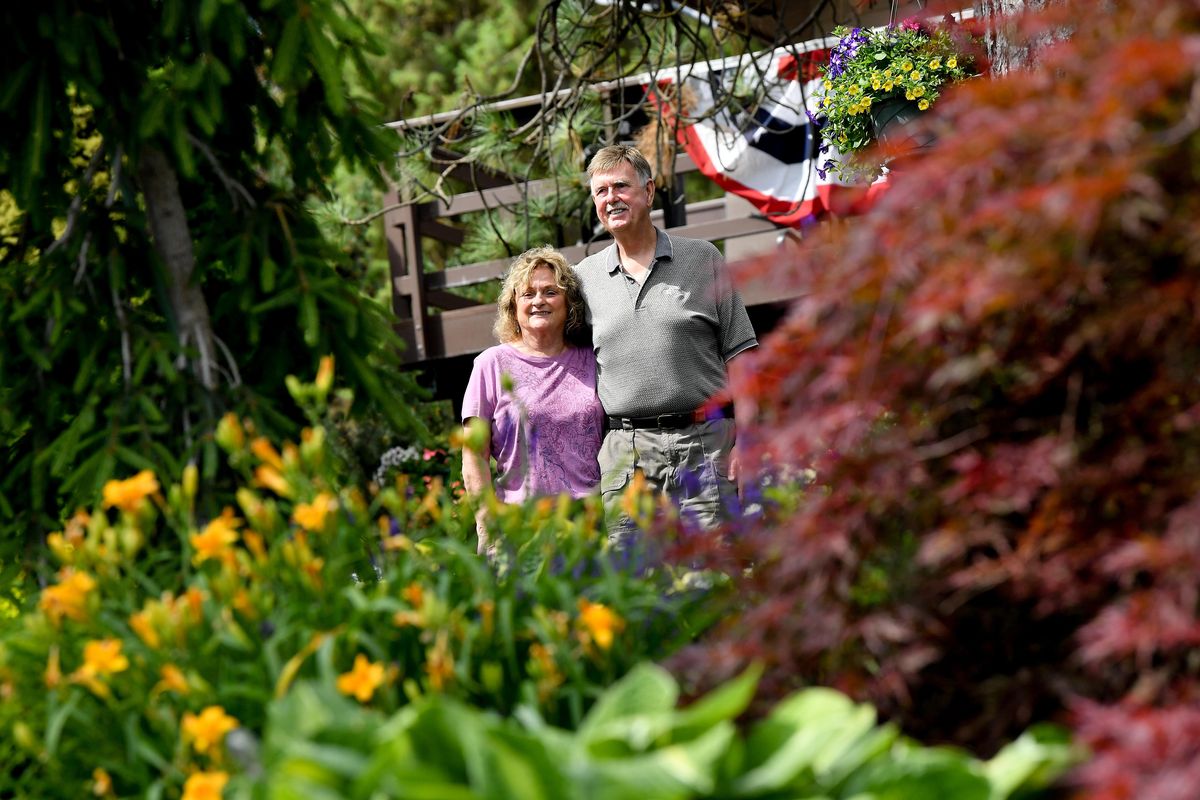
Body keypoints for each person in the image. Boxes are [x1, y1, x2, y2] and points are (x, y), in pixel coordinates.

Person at [574, 145, 758, 544]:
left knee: (717, 573)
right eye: (601, 192)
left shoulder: (702, 259)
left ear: (649, 191)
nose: (611, 199)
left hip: (707, 446)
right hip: (627, 455)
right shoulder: (583, 279)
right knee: (636, 585)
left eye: (621, 186)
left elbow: (741, 355)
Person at [461, 246, 604, 555]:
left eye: (551, 292)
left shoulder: (592, 358)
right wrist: (486, 525)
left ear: (569, 303)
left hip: (590, 525)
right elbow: (473, 456)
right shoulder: (491, 365)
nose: (539, 300)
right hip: (521, 528)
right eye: (528, 294)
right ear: (514, 305)